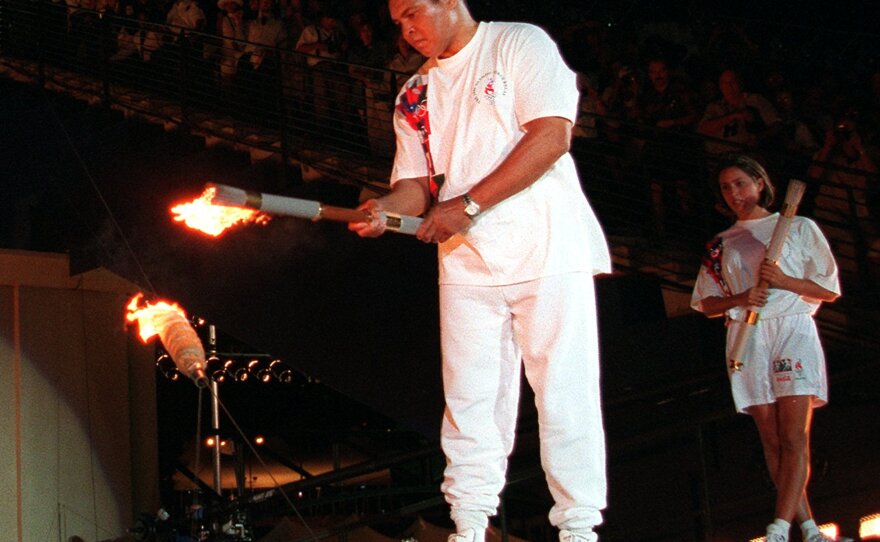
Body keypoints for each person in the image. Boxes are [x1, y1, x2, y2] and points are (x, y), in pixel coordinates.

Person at [348, 1, 611, 541]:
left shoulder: (519, 43)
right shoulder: (414, 95)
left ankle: (579, 527)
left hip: (547, 249)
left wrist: (466, 205)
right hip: (467, 262)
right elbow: (416, 187)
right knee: (470, 400)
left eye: (413, 13)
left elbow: (550, 137)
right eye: (398, 21)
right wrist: (386, 209)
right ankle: (468, 525)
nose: (407, 29)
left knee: (564, 391)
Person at [690, 154, 843, 542]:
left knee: (794, 437)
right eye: (726, 188)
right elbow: (706, 303)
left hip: (792, 328)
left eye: (741, 183)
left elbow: (828, 288)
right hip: (747, 335)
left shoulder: (798, 227)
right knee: (771, 438)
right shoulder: (719, 245)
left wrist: (787, 281)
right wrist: (742, 295)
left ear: (760, 183)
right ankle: (808, 529)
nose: (734, 193)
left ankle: (778, 527)